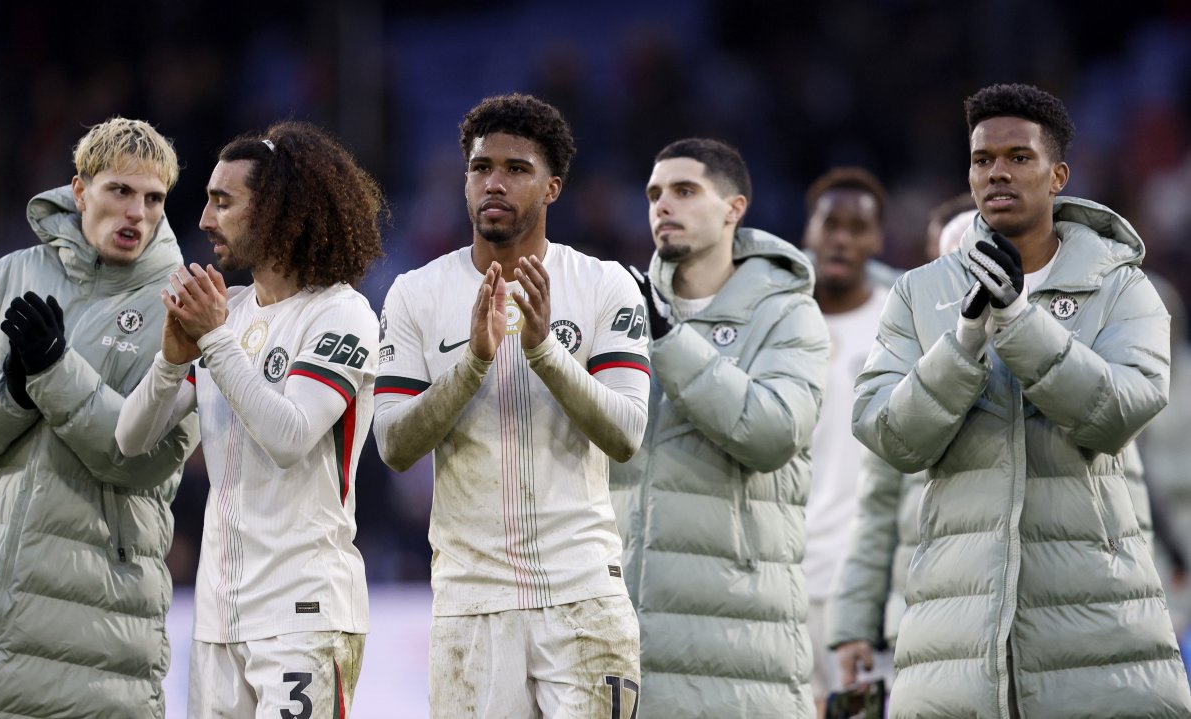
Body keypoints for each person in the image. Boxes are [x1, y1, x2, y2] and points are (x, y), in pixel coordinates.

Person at [852, 82, 1191, 717]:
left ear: (1059, 175)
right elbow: (888, 436)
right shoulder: (917, 294)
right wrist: (962, 344)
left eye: (1018, 157)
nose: (997, 172)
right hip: (955, 639)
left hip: (1095, 628)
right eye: (983, 159)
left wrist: (1017, 320)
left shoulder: (1123, 289)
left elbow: (1119, 414)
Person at [373, 93, 649, 718]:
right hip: (471, 599)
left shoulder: (604, 284)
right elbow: (393, 445)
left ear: (552, 188)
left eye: (516, 169)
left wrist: (545, 352)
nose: (493, 183)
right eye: (481, 167)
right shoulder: (415, 294)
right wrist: (472, 364)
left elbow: (627, 433)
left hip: (584, 592)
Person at [0, 118, 199, 717]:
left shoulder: (182, 307)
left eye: (153, 199)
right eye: (120, 191)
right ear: (80, 191)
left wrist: (53, 371)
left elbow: (148, 459)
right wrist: (13, 394)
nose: (137, 212)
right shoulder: (12, 275)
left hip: (94, 641)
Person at [116, 121, 387, 718]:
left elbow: (289, 437)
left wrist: (214, 341)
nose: (205, 219)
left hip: (304, 613)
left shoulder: (343, 315)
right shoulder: (229, 313)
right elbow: (130, 438)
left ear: (277, 211)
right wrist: (171, 360)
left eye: (223, 202)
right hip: (217, 616)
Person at [609, 137, 829, 717]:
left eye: (685, 191)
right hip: (622, 646)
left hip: (741, 646)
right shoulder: (620, 313)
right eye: (654, 194)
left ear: (734, 208)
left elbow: (773, 433)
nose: (663, 205)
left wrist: (668, 339)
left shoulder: (789, 313)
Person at [826, 198, 974, 693]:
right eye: (948, 263)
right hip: (916, 620)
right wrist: (853, 626)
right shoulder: (904, 376)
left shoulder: (1041, 361)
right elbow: (876, 507)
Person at [798, 167, 895, 709]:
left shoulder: (897, 320)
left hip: (861, 579)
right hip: (783, 570)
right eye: (830, 224)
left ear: (877, 239)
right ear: (807, 232)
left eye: (857, 228)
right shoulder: (778, 320)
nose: (841, 239)